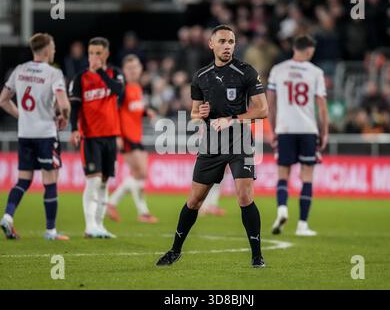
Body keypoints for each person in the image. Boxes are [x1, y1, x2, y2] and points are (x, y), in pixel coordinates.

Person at [156, 25, 269, 268]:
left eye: (231, 41)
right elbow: (195, 114)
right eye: (222, 41)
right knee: (195, 201)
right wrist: (201, 113)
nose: (227, 46)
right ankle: (175, 250)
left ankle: (257, 255)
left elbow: (263, 110)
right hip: (212, 142)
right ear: (211, 44)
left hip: (240, 139)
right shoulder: (200, 76)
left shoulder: (246, 72)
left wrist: (232, 119)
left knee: (244, 196)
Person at [0, 33, 70, 240]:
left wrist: (23, 116)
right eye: (53, 46)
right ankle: (50, 231)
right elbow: (64, 104)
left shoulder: (19, 70)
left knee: (23, 180)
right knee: (50, 180)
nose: (54, 50)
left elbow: (2, 100)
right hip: (46, 133)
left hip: (25, 133)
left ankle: (8, 216)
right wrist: (64, 117)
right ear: (47, 50)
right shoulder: (53, 73)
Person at [267, 35, 329, 237]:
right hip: (308, 129)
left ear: (294, 47)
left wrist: (273, 127)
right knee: (307, 176)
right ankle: (302, 224)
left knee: (283, 173)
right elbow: (321, 107)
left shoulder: (278, 69)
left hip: (284, 129)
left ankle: (282, 209)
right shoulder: (316, 73)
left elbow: (271, 103)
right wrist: (324, 131)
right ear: (310, 50)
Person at [69, 37, 125, 239]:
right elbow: (75, 107)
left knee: (103, 182)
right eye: (91, 53)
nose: (94, 57)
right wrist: (73, 129)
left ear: (106, 54)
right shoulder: (79, 78)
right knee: (92, 182)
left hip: (110, 136)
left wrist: (100, 71)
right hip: (90, 136)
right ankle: (89, 225)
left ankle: (100, 225)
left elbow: (119, 92)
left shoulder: (115, 73)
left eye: (98, 53)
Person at [106, 55, 158, 224]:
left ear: (140, 68)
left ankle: (113, 204)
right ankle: (142, 212)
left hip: (137, 135)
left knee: (139, 174)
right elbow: (114, 112)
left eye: (135, 67)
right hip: (126, 136)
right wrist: (117, 135)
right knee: (140, 173)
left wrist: (146, 112)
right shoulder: (122, 88)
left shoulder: (138, 87)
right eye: (129, 68)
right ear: (124, 70)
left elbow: (134, 109)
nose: (133, 70)